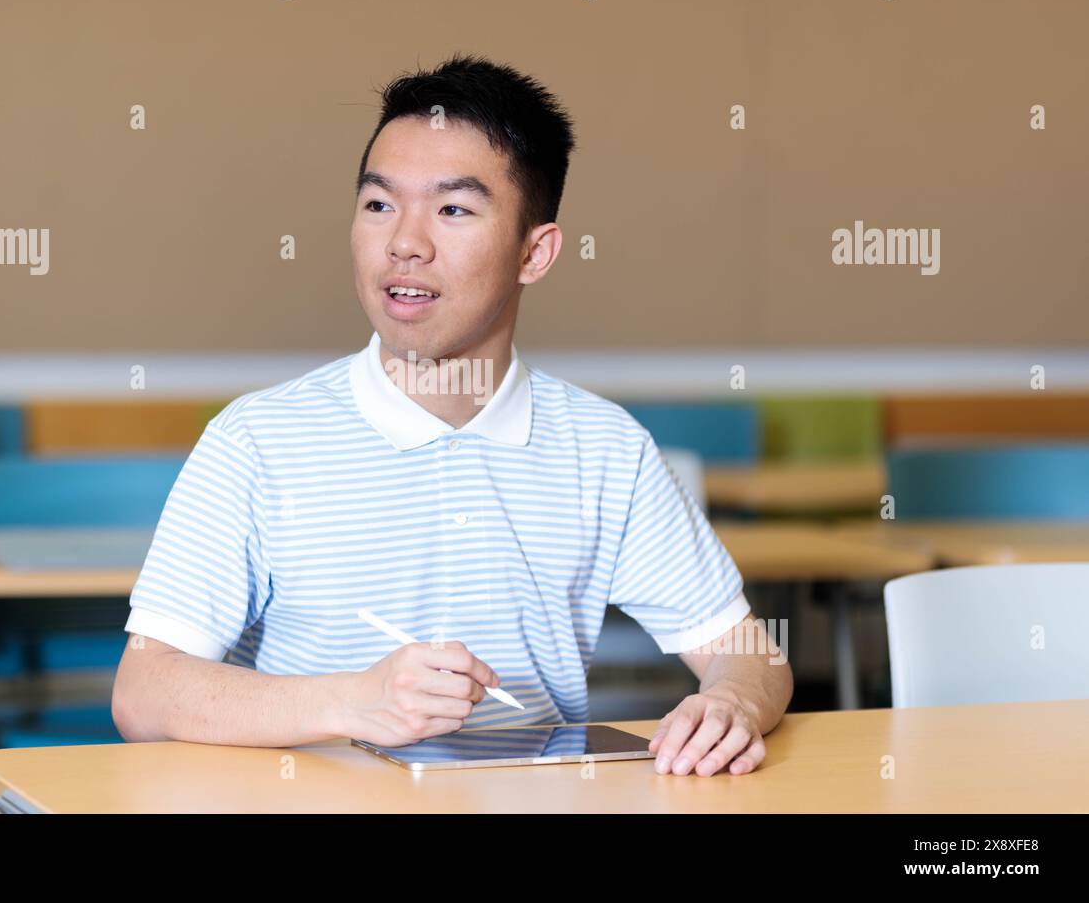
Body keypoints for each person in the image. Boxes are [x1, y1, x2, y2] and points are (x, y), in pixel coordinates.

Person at [112, 53, 792, 777]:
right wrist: (352, 701)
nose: (405, 243)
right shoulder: (257, 440)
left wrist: (732, 703)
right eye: (379, 204)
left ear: (536, 252)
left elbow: (746, 652)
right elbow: (144, 690)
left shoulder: (605, 447)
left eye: (453, 209)